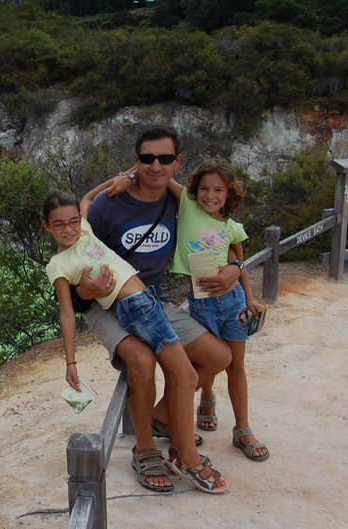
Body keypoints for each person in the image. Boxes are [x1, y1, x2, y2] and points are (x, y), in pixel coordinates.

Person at [75, 126, 235, 492]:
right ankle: (145, 448)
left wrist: (234, 269)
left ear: (178, 162)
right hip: (107, 303)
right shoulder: (108, 205)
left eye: (165, 158)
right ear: (137, 160)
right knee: (143, 361)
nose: (156, 165)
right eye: (147, 158)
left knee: (217, 357)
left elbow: (217, 231)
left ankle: (163, 418)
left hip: (153, 298)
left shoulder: (179, 203)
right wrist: (87, 289)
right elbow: (75, 258)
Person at [43, 190, 227, 493]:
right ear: (47, 227)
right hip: (136, 308)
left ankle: (172, 435)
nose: (69, 229)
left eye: (73, 221)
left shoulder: (85, 230)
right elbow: (67, 313)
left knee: (186, 374)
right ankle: (185, 458)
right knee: (185, 375)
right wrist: (71, 362)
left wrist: (122, 178)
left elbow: (87, 201)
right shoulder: (59, 264)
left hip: (148, 300)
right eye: (59, 225)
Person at [167, 158, 270, 461]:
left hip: (233, 303)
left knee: (236, 366)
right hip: (201, 304)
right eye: (204, 189)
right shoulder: (186, 205)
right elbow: (163, 175)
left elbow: (240, 268)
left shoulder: (232, 227)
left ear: (229, 194)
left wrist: (250, 300)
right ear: (195, 189)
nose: (210, 196)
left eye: (218, 190)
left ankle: (242, 429)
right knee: (210, 360)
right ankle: (207, 398)